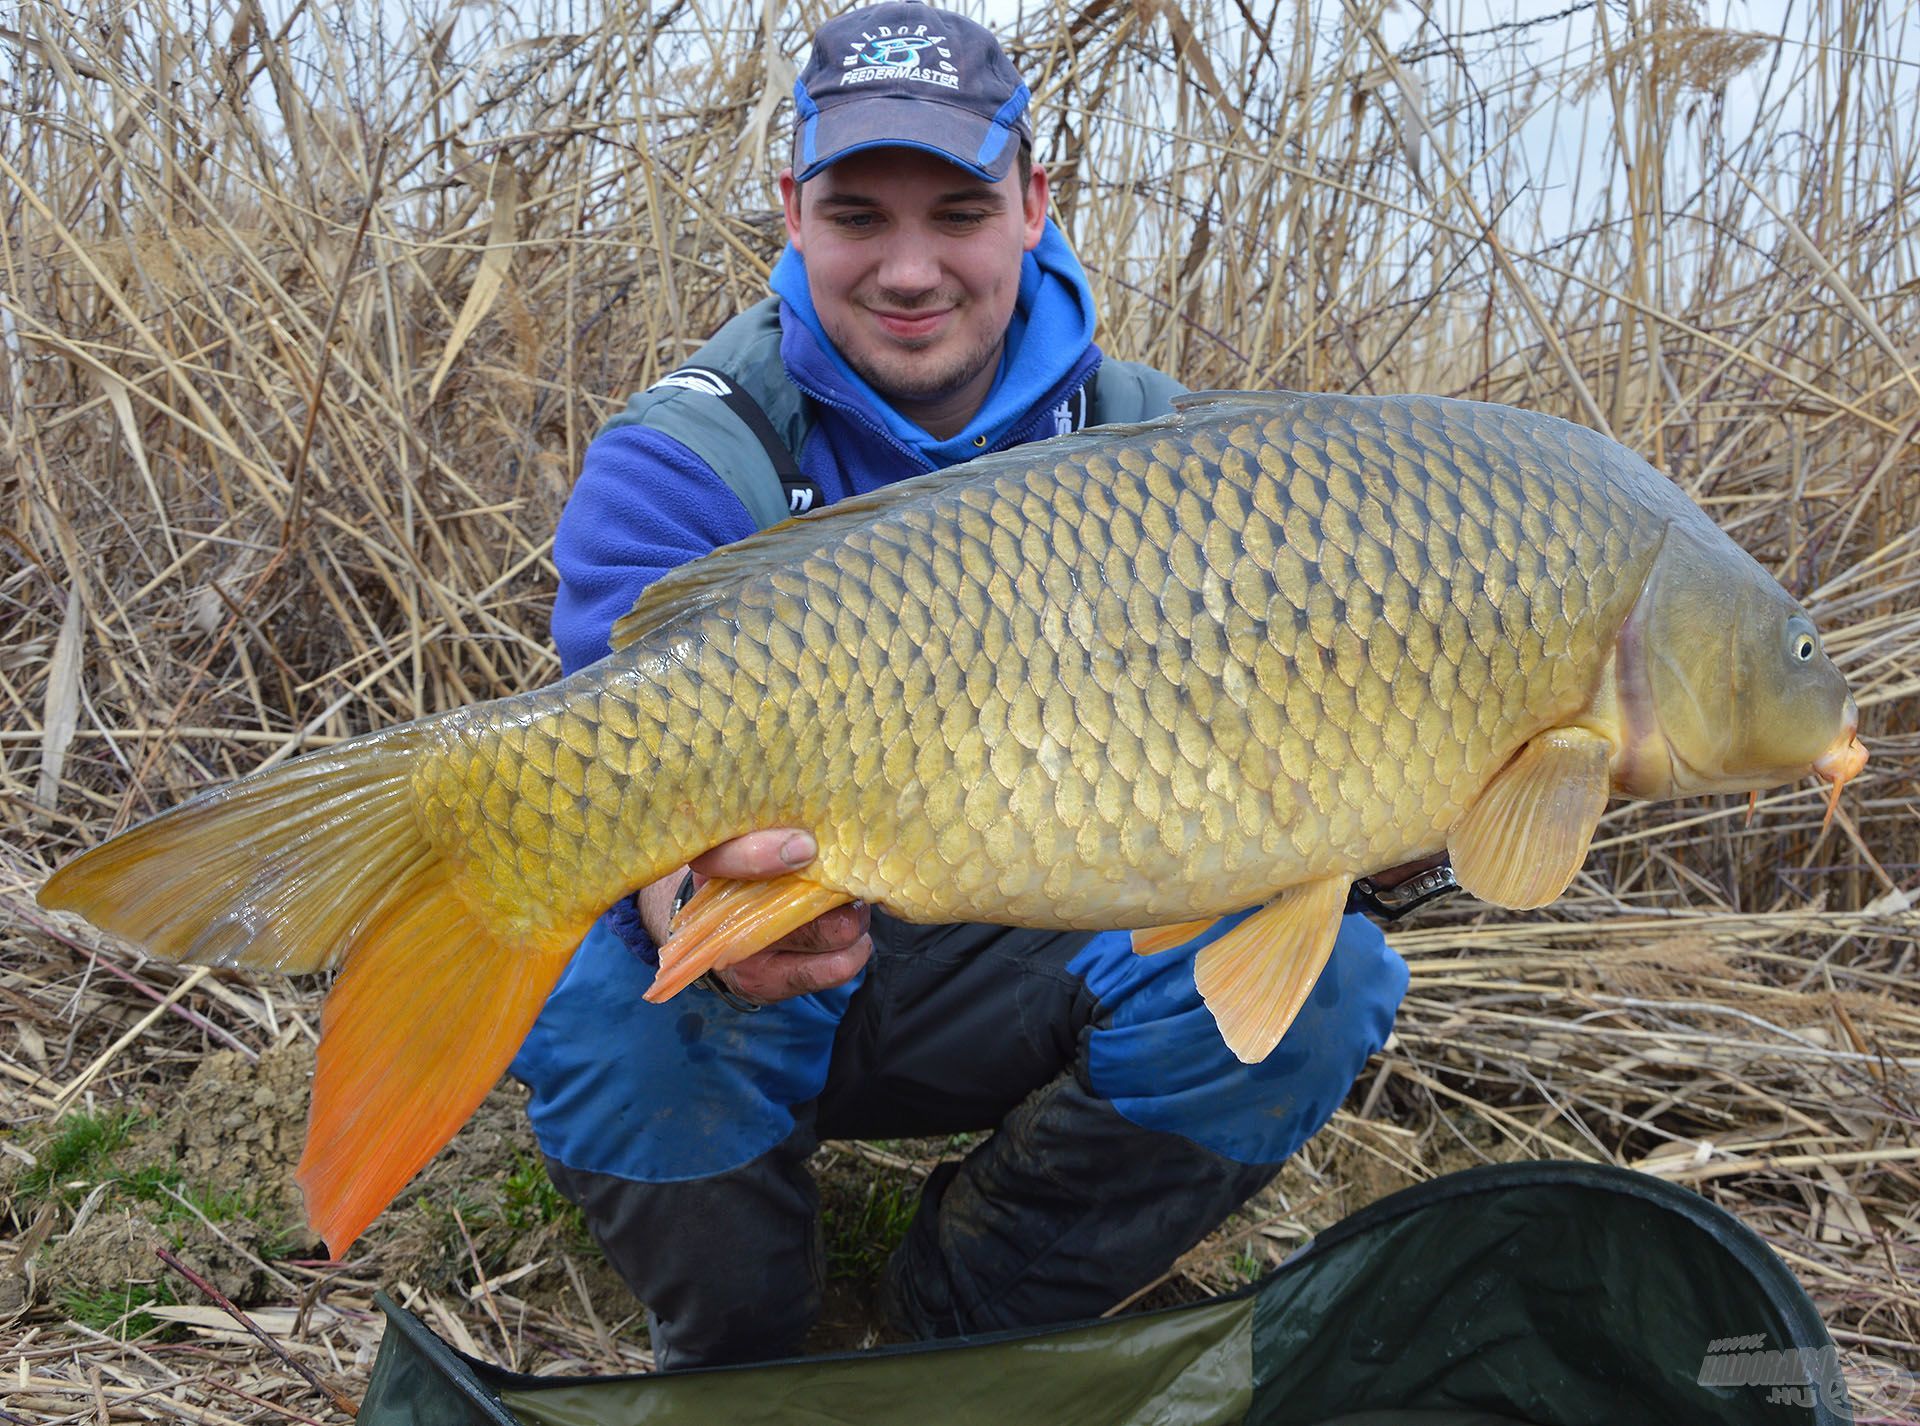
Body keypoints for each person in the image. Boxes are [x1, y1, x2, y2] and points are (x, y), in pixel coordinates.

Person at [510, 1, 1411, 1370]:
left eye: (960, 208)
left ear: (1035, 204)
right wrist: (692, 900)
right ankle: (751, 1342)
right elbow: (628, 783)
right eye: (858, 213)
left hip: (1035, 941)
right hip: (783, 939)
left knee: (1325, 979)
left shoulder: (1180, 458)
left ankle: (963, 1319)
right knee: (597, 1005)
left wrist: (1401, 815)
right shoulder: (689, 458)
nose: (911, 266)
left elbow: (1303, 774)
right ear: (789, 210)